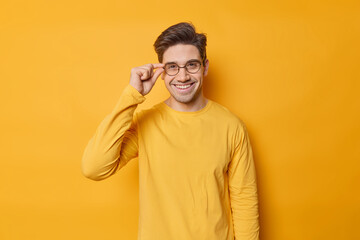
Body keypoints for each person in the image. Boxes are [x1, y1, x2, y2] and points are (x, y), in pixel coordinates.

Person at [81, 22, 259, 240]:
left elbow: (245, 200)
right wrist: (132, 95)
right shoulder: (145, 123)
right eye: (172, 67)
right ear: (161, 72)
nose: (182, 76)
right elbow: (93, 167)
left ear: (205, 67)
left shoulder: (232, 127)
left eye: (191, 65)